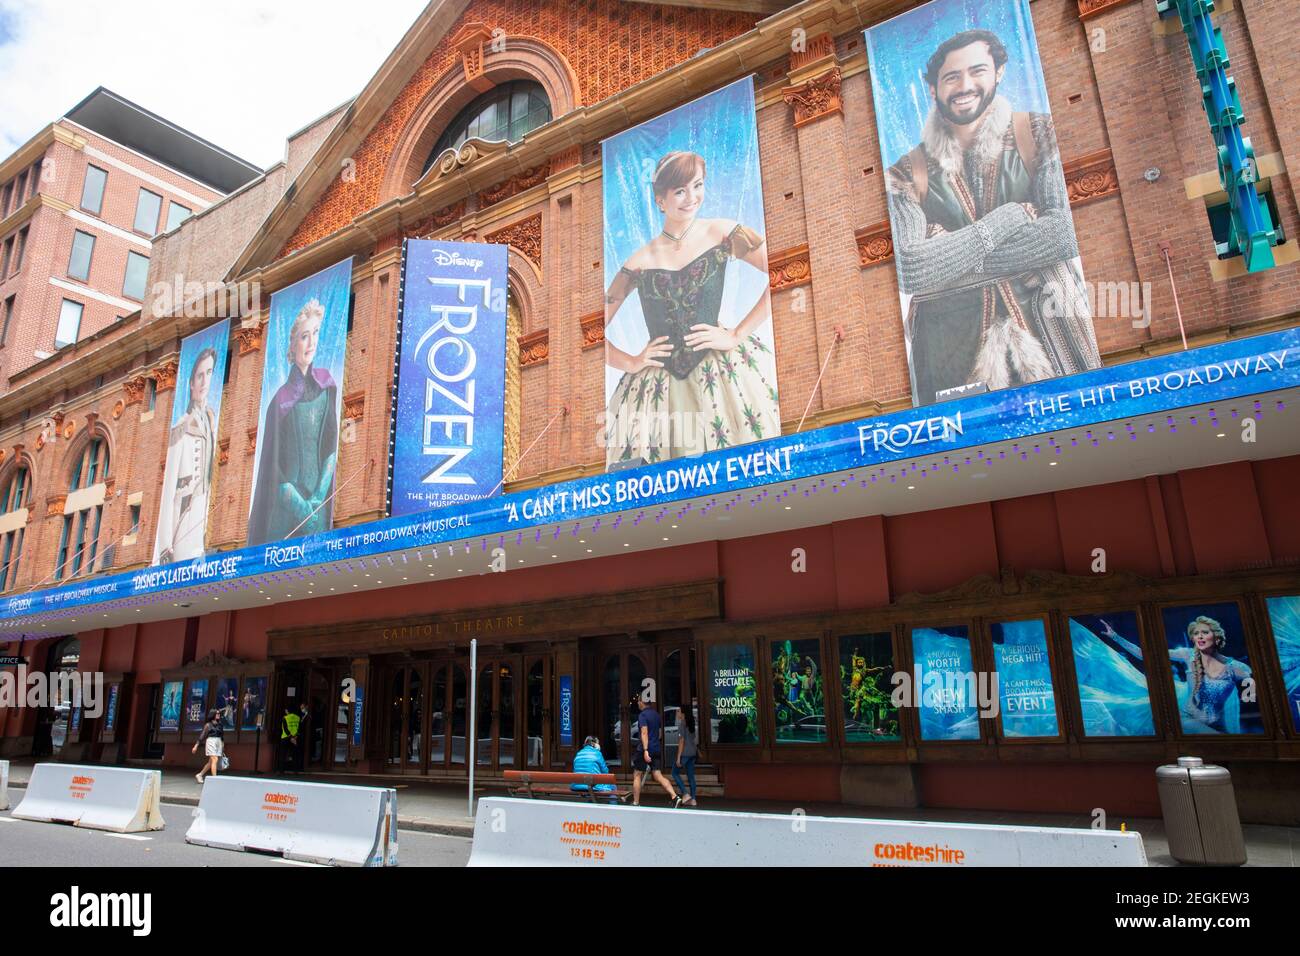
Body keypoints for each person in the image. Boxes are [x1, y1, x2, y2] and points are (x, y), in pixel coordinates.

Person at [886, 29, 1100, 406]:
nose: (964, 85)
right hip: (949, 363)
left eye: (977, 71)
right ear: (933, 88)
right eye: (951, 77)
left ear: (998, 72)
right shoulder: (907, 172)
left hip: (1057, 343)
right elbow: (913, 269)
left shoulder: (1038, 132)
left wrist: (949, 254)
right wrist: (1013, 216)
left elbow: (1063, 233)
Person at [603, 150, 779, 466]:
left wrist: (737, 334)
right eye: (680, 190)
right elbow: (587, 335)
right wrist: (630, 361)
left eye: (697, 185)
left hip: (723, 371)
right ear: (660, 200)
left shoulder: (723, 232)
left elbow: (784, 269)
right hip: (657, 386)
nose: (691, 197)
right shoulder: (638, 262)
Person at [247, 299, 339, 546]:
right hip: (286, 513)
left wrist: (317, 501)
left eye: (315, 333)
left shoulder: (328, 384)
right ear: (292, 344)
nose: (311, 343)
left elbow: (331, 445)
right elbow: (272, 466)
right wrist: (301, 507)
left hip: (318, 511)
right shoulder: (279, 402)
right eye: (304, 336)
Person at [153, 347, 219, 564]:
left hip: (204, 518)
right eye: (199, 375)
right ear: (191, 383)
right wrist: (164, 546)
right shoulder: (180, 428)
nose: (204, 381)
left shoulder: (211, 418)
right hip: (183, 518)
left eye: (209, 373)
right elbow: (169, 486)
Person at [1168, 616, 1254, 734]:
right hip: (1189, 719)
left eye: (1205, 632)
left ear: (1216, 637)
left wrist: (1248, 695)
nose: (1200, 636)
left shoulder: (1234, 666)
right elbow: (1146, 654)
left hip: (1219, 723)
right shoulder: (1188, 654)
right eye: (1196, 633)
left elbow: (1250, 690)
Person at [631, 696, 681, 807]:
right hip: (656, 748)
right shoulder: (656, 715)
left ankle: (636, 802)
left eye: (638, 701)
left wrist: (645, 750)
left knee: (637, 774)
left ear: (642, 702)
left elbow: (644, 732)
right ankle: (675, 796)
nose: (638, 703)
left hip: (644, 750)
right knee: (658, 775)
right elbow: (659, 734)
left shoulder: (642, 715)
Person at [571, 736, 618, 802]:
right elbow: (605, 772)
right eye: (598, 743)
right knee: (613, 786)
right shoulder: (597, 753)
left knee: (591, 790)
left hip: (577, 785)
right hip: (593, 786)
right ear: (594, 744)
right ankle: (613, 808)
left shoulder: (578, 753)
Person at [670, 707, 698, 807]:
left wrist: (678, 758)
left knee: (674, 772)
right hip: (692, 753)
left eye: (678, 711)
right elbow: (693, 739)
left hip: (685, 753)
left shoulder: (682, 724)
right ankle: (693, 799)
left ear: (683, 714)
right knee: (691, 776)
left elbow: (681, 741)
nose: (677, 712)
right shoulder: (691, 724)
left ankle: (685, 793)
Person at [193, 708, 224, 783]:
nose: (218, 715)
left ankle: (200, 775)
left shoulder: (220, 724)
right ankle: (215, 780)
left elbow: (222, 736)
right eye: (217, 714)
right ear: (213, 714)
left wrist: (223, 746)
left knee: (211, 762)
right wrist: (196, 746)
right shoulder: (208, 725)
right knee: (214, 759)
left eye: (219, 714)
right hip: (211, 741)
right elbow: (202, 736)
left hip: (219, 742)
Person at [280, 701, 303, 771]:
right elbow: (300, 729)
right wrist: (294, 737)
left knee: (283, 754)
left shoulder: (285, 718)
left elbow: (285, 729)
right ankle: (295, 770)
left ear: (288, 710)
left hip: (286, 738)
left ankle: (281, 770)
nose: (285, 711)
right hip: (295, 738)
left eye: (286, 710)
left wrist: (290, 737)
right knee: (295, 755)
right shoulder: (298, 718)